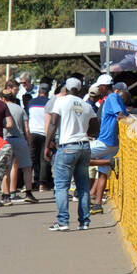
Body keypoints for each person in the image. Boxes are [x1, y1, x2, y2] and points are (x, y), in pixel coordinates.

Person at [45, 77, 94, 231]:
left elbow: (53, 123)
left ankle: (63, 221)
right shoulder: (87, 106)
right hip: (84, 146)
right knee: (83, 186)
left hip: (67, 147)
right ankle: (84, 222)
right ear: (80, 90)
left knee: (61, 186)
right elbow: (95, 129)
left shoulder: (60, 101)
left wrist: (47, 145)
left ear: (65, 89)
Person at [89, 74, 129, 215]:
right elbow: (125, 114)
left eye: (100, 87)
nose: (99, 89)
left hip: (105, 141)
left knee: (78, 155)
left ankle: (110, 162)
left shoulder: (111, 98)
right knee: (102, 174)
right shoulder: (116, 97)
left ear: (104, 87)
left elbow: (120, 115)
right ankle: (97, 204)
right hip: (112, 143)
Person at [0, 85, 37, 204]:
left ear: (3, 98)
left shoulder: (1, 108)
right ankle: (28, 192)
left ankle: (6, 195)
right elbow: (26, 128)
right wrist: (29, 141)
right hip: (20, 139)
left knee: (6, 168)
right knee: (26, 167)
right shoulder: (20, 109)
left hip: (6, 139)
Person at [26, 81, 52, 192]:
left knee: (32, 158)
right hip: (45, 133)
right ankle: (42, 184)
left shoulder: (31, 102)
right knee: (44, 159)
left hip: (32, 133)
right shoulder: (50, 103)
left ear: (39, 91)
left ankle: (28, 183)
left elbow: (28, 117)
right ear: (48, 92)